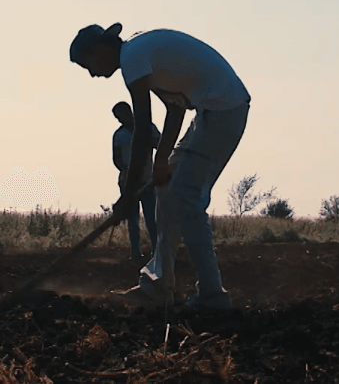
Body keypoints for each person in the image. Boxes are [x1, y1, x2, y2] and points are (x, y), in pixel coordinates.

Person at [70, 23, 251, 310]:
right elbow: (176, 108)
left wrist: (128, 196)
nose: (92, 73)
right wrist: (161, 160)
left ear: (99, 49)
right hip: (211, 112)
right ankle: (157, 286)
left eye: (88, 64)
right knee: (167, 193)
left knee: (186, 196)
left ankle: (212, 296)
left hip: (223, 110)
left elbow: (142, 130)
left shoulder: (132, 59)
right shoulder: (138, 53)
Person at [112, 101, 160, 261]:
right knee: (132, 219)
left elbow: (160, 145)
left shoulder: (148, 128)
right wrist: (127, 170)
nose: (120, 119)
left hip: (147, 181)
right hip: (128, 183)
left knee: (151, 218)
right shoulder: (119, 135)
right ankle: (135, 253)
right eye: (117, 117)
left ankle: (156, 251)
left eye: (121, 115)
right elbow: (116, 158)